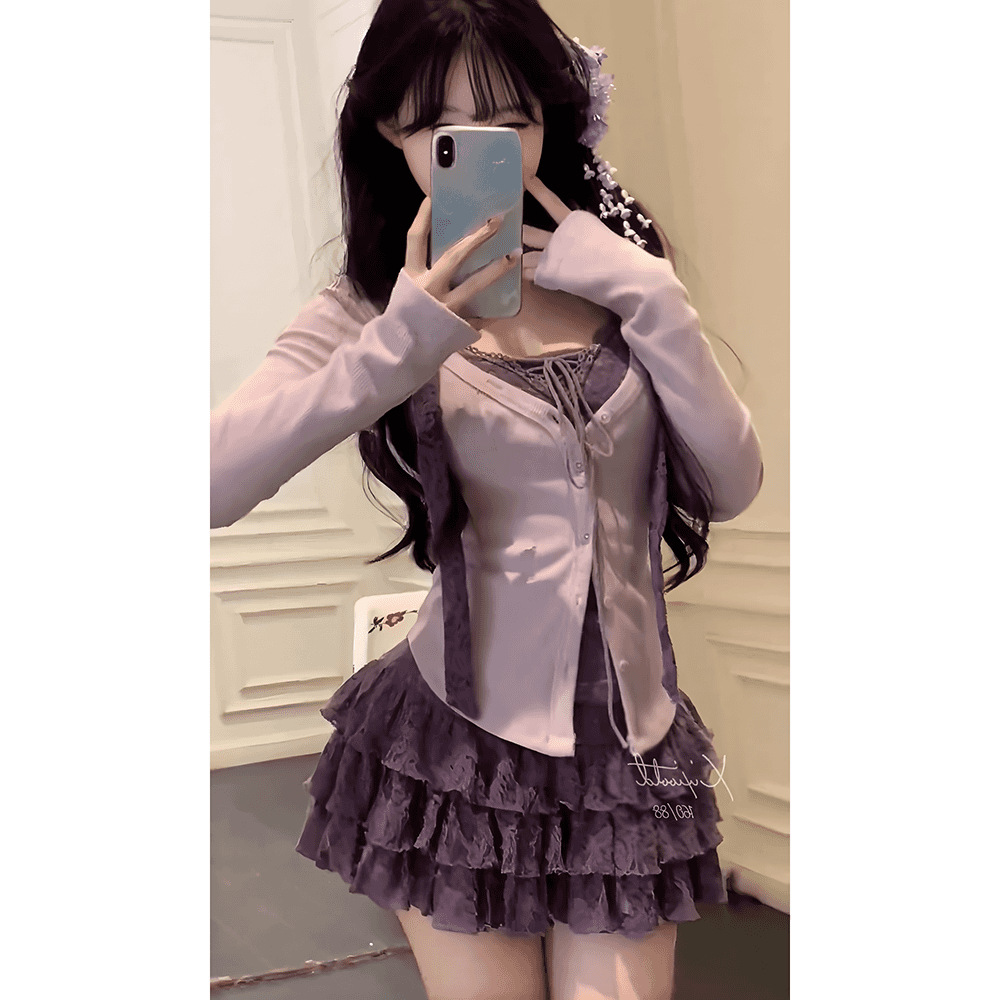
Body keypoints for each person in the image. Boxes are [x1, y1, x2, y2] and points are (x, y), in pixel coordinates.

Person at [211, 1, 765, 996]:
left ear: (553, 119)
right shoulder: (370, 302)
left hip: (631, 749)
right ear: (391, 133)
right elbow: (211, 481)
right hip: (456, 746)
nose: (478, 147)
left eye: (510, 121)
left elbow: (730, 484)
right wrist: (401, 342)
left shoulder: (623, 282)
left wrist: (655, 299)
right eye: (438, 127)